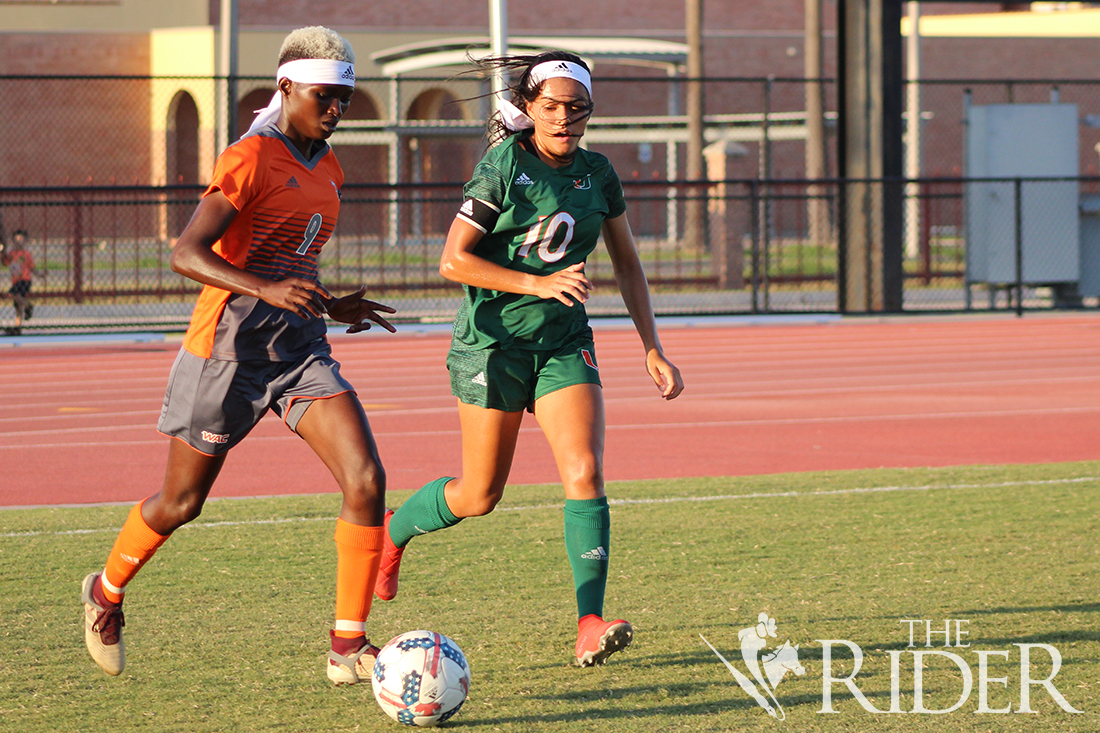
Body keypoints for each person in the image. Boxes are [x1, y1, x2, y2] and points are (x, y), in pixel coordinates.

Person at [81, 26, 397, 685]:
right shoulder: (251, 157)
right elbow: (186, 252)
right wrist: (267, 289)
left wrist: (330, 303)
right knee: (181, 502)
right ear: (286, 87)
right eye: (324, 96)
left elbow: (292, 262)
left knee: (366, 479)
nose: (337, 109)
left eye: (345, 97)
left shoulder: (329, 167)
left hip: (299, 351)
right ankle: (105, 592)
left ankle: (347, 646)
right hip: (227, 352)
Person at [373, 51, 684, 667]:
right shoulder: (503, 166)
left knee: (586, 473)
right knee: (480, 494)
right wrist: (537, 283)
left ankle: (589, 622)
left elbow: (626, 264)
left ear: (590, 113)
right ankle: (393, 532)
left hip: (565, 344)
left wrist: (652, 346)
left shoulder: (599, 173)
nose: (564, 118)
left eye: (576, 108)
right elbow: (452, 260)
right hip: (492, 345)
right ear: (530, 109)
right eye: (551, 107)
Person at [3, 229, 36, 336]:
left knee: (13, 294)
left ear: (25, 241)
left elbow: (32, 267)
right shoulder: (12, 254)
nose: (18, 242)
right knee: (17, 305)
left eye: (21, 239)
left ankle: (28, 306)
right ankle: (18, 327)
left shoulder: (26, 254)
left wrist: (40, 275)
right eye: (16, 239)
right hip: (15, 281)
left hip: (24, 280)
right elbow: (6, 263)